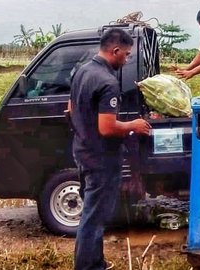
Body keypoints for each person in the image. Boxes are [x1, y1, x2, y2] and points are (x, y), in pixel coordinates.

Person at [68, 28, 151, 270]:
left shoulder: (82, 71)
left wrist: (84, 130)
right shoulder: (107, 82)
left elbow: (71, 108)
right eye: (125, 55)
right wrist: (133, 125)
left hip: (83, 151)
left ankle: (96, 263)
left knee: (93, 213)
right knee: (94, 219)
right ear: (115, 51)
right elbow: (106, 128)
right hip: (101, 158)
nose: (126, 60)